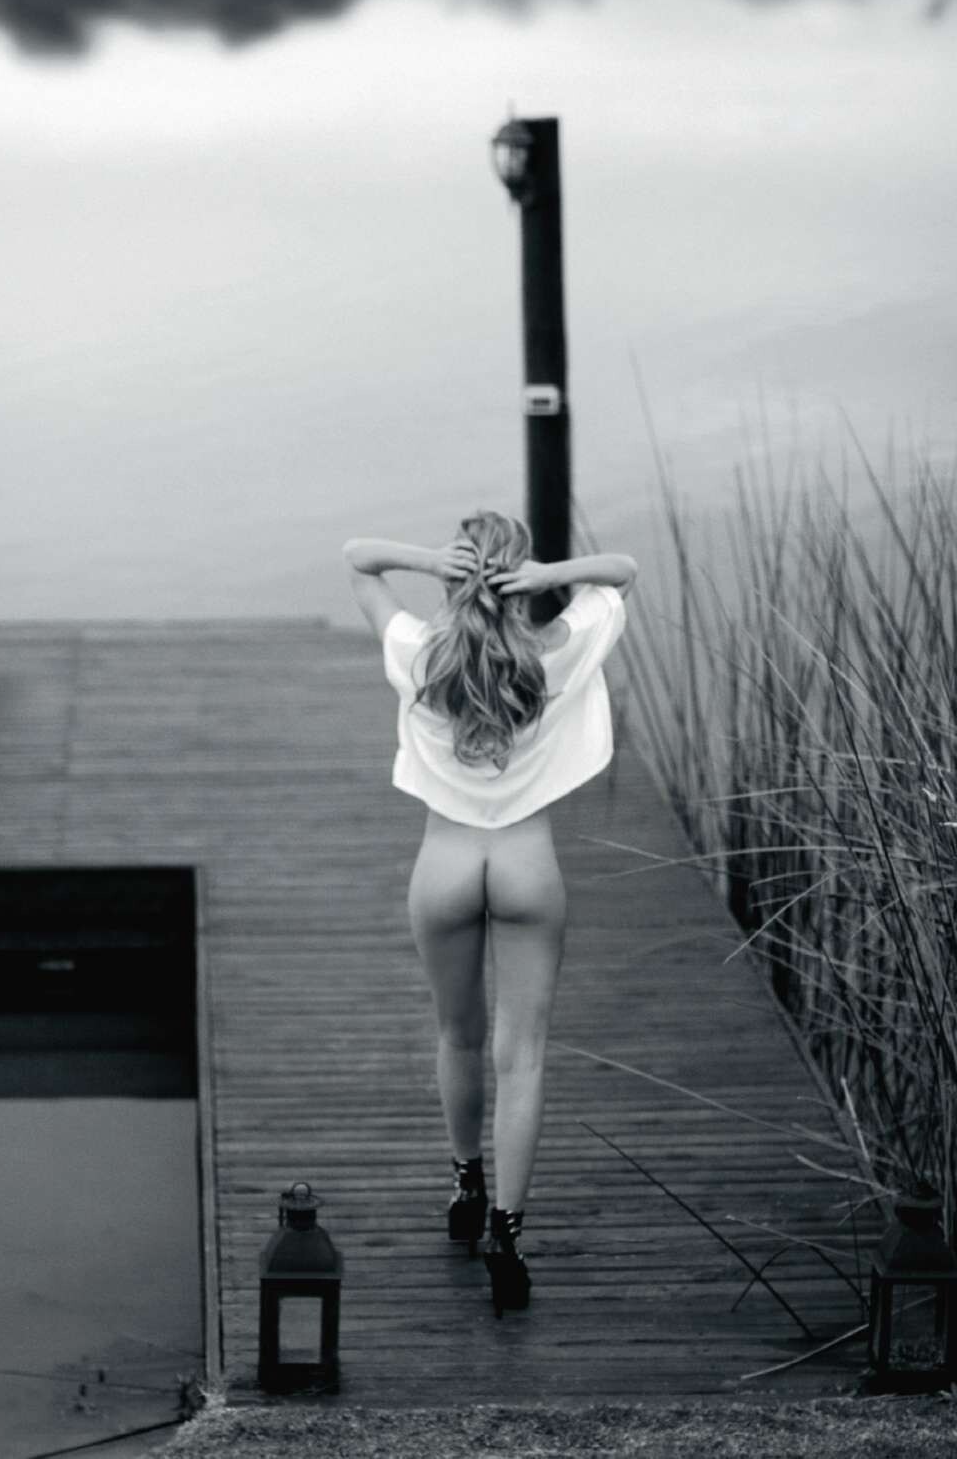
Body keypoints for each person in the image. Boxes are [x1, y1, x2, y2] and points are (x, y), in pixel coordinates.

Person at [343, 510, 637, 1316]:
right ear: (519, 577)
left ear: (457, 576)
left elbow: (357, 559)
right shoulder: (556, 653)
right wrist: (552, 576)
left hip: (443, 864)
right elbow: (622, 572)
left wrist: (429, 560)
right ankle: (506, 1233)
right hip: (525, 866)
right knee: (523, 1055)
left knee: (457, 1034)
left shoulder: (419, 652)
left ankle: (464, 1180)